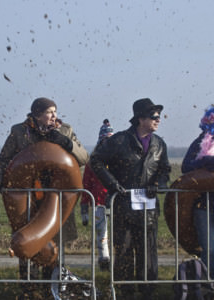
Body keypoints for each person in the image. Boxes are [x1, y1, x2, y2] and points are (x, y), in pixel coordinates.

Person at [0, 97, 89, 300]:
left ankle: (51, 289)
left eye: (55, 111)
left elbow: (84, 157)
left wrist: (66, 144)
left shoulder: (65, 130)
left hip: (56, 197)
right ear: (37, 114)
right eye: (49, 112)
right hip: (27, 197)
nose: (54, 116)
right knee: (29, 239)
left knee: (54, 243)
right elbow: (4, 158)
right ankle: (28, 288)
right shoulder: (19, 131)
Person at [90, 98, 171, 300]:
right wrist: (112, 184)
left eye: (159, 116)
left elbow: (165, 170)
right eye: (154, 116)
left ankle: (148, 291)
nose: (158, 120)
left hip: (149, 208)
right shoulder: (118, 140)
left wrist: (158, 185)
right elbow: (96, 160)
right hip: (123, 206)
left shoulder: (160, 144)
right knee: (124, 250)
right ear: (140, 118)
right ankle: (124, 291)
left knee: (148, 251)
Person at [182, 105, 214, 279]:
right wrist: (204, 163)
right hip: (204, 205)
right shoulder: (201, 142)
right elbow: (186, 167)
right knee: (209, 248)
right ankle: (208, 284)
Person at [81, 119, 114, 271]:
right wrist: (84, 208)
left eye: (110, 141)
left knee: (119, 233)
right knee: (102, 234)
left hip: (115, 201)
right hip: (98, 202)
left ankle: (119, 260)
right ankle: (104, 260)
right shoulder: (92, 162)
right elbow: (86, 184)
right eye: (105, 141)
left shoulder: (118, 160)